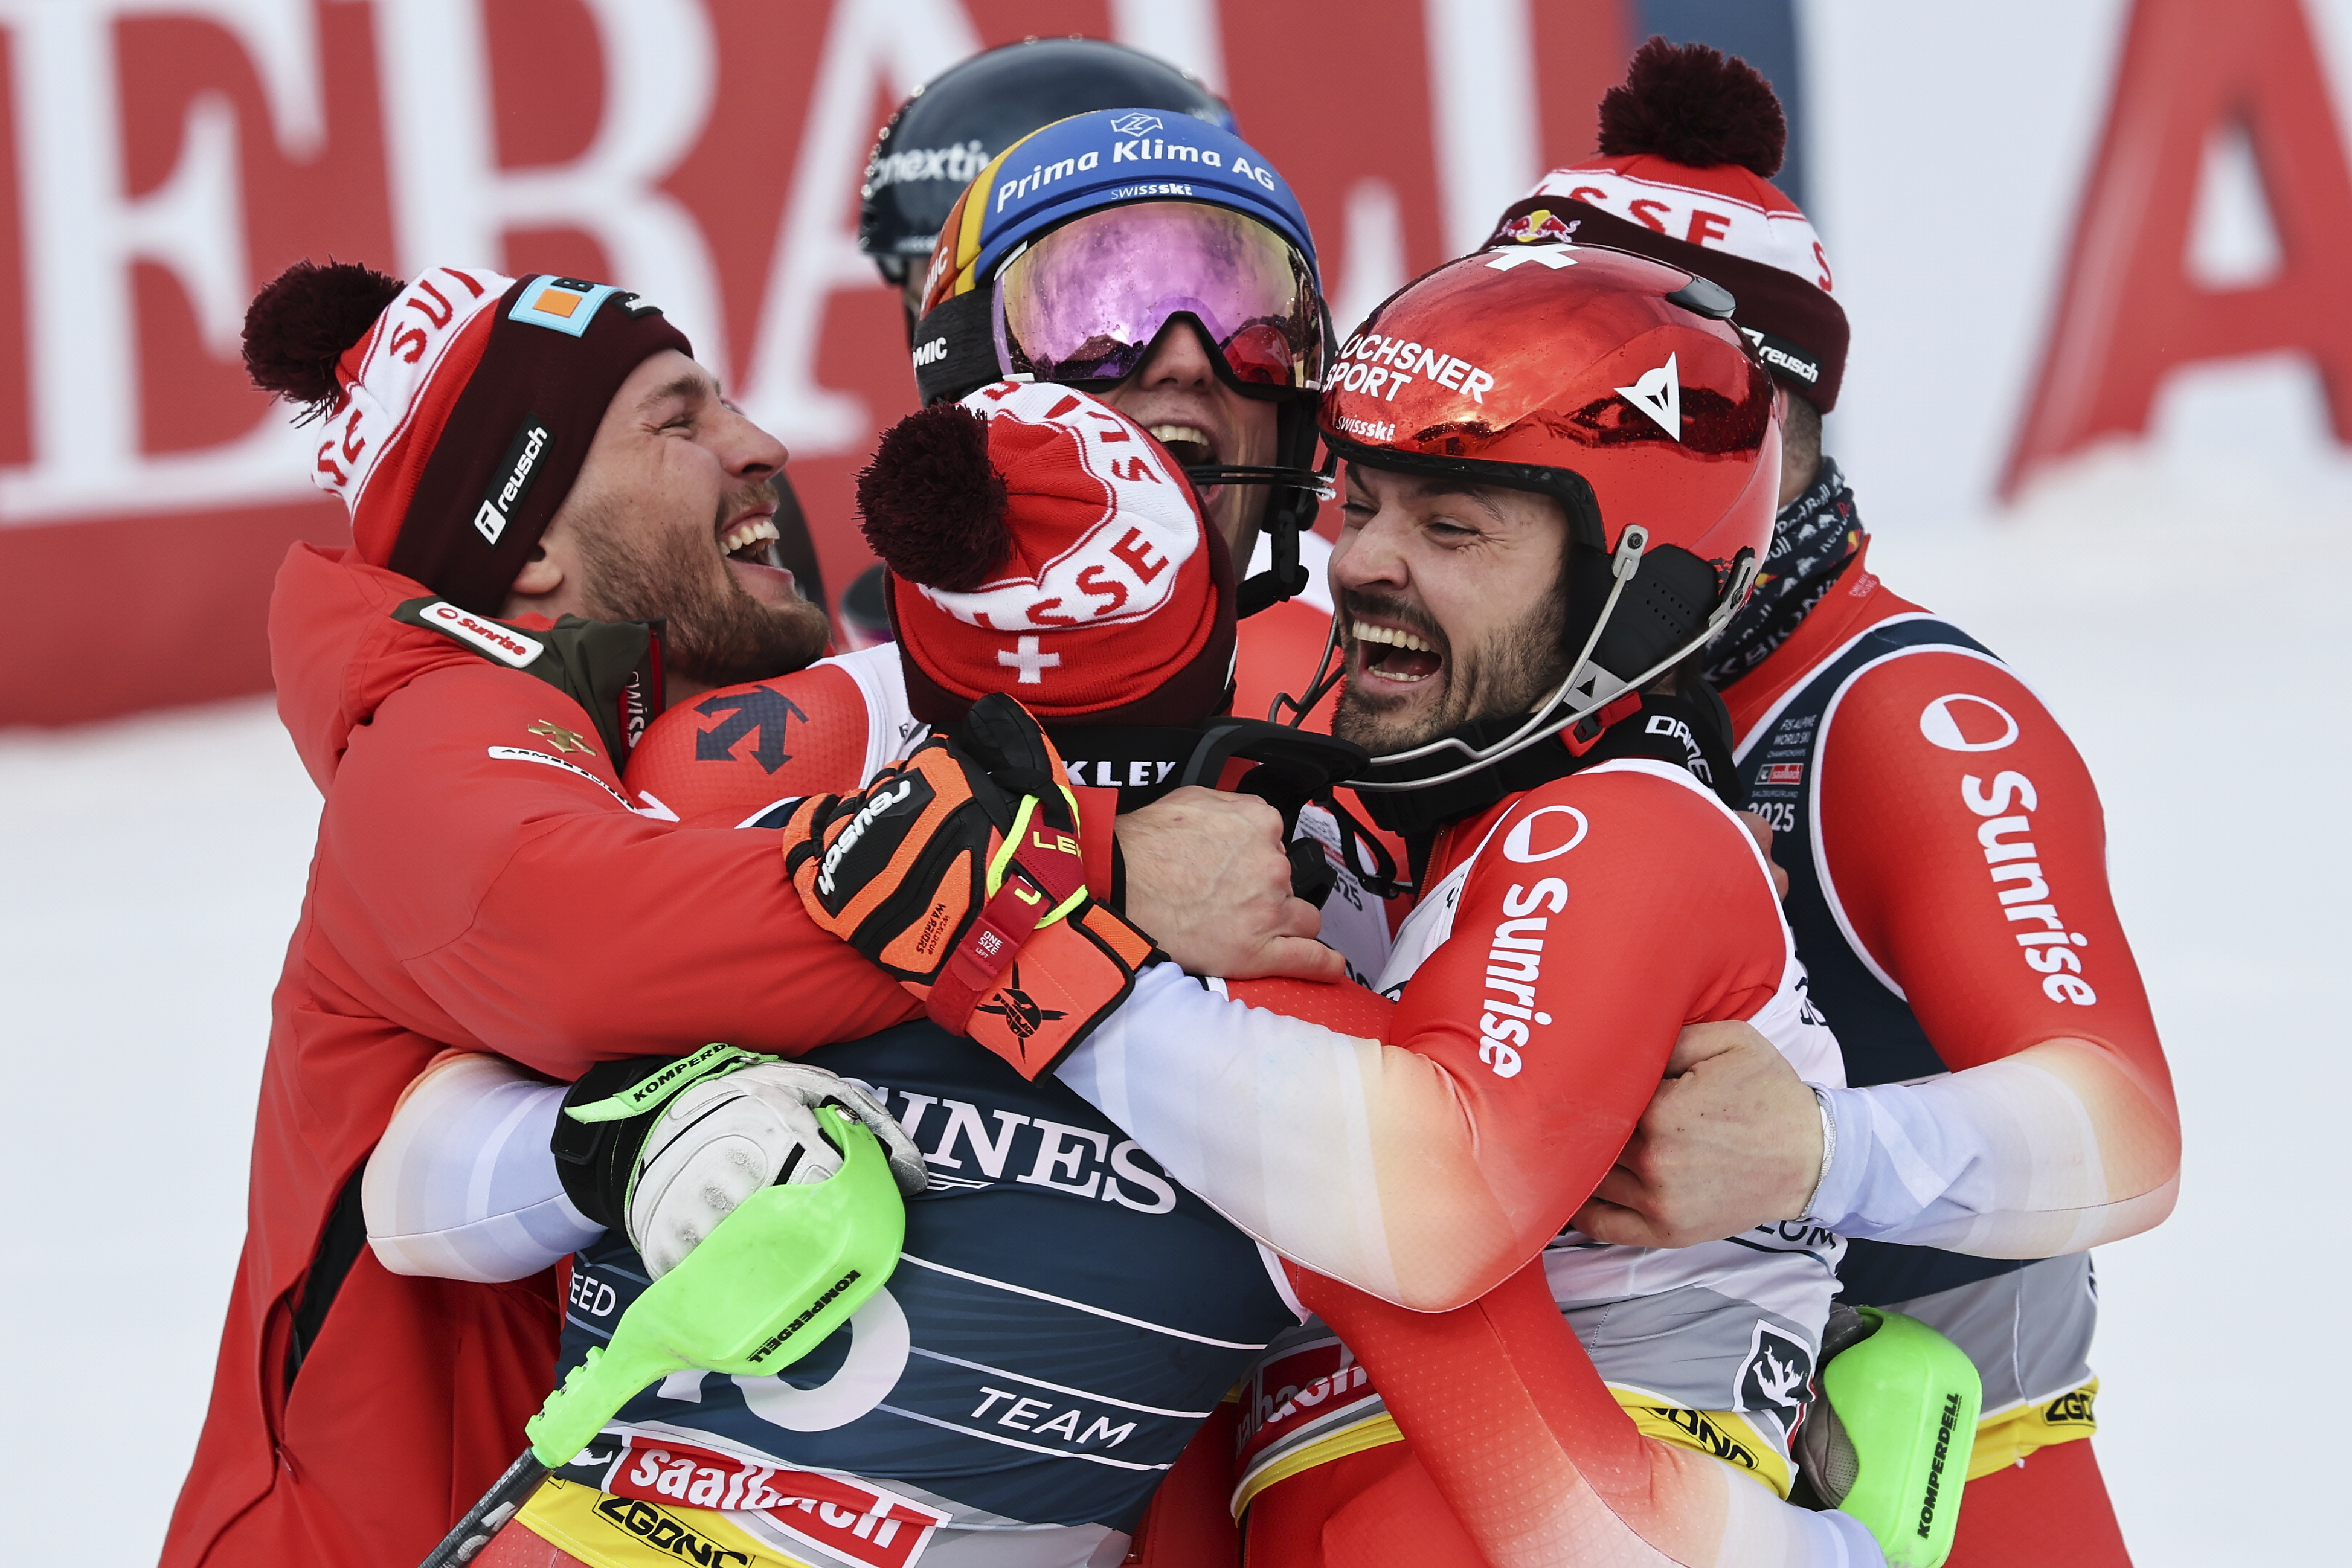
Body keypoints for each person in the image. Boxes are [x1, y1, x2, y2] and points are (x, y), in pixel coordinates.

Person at [163, 260, 1326, 1568]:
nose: (761, 443)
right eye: (680, 418)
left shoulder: (693, 742)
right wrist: (1087, 869)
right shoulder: (439, 737)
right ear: (530, 539)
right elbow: (593, 948)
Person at [1471, 40, 2179, 1568]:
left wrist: (1816, 1152)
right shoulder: (1521, 658)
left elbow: (2126, 1125)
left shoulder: (1900, 712)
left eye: (1590, 394)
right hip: (1614, 1466)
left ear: (1760, 425)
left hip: (1942, 1473)